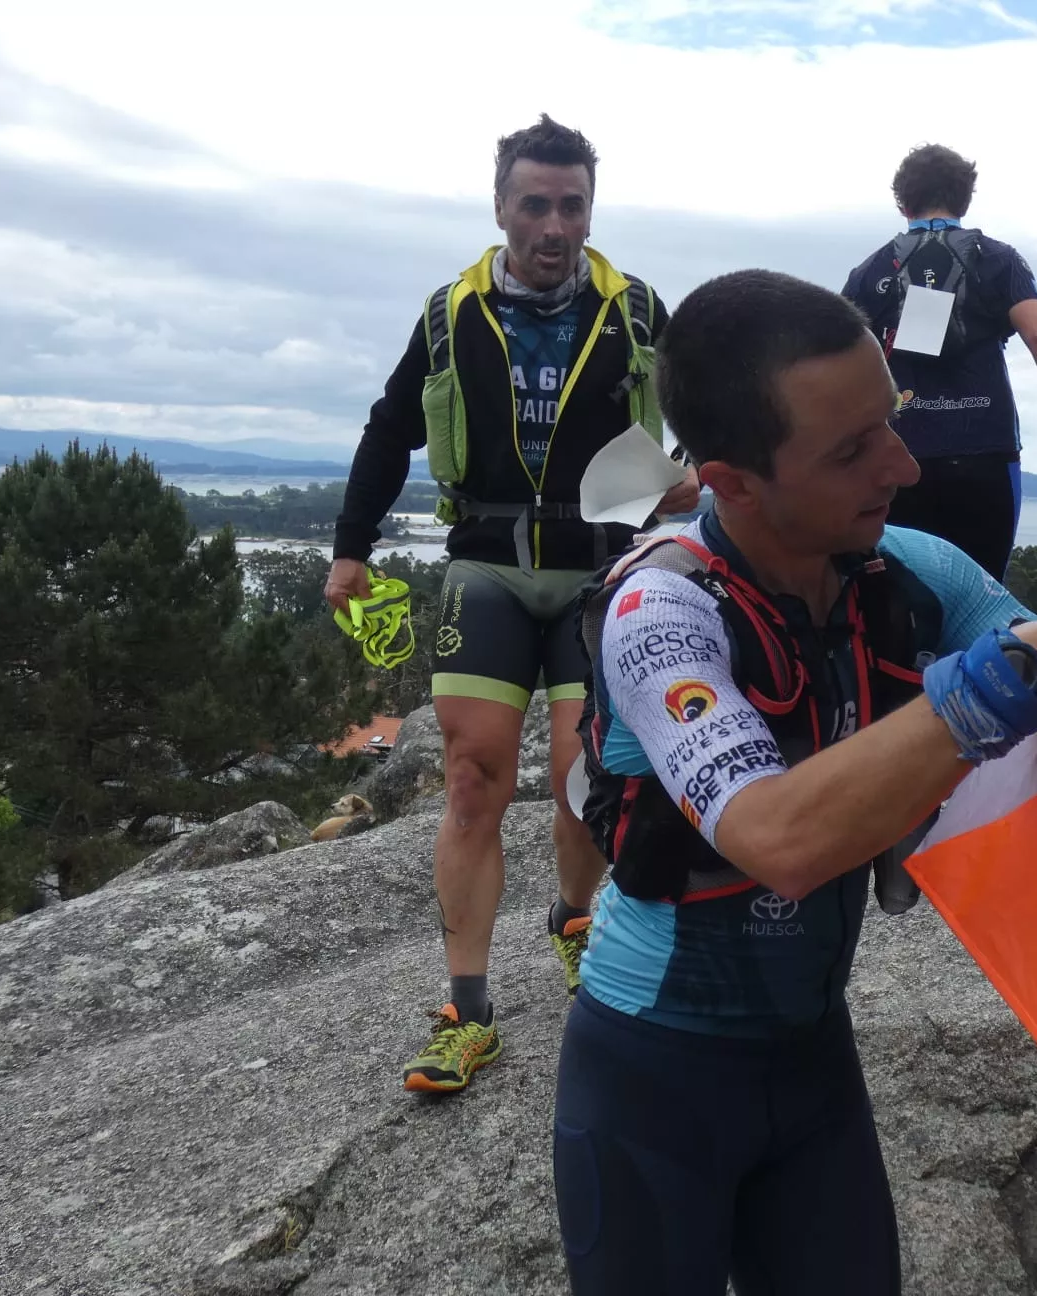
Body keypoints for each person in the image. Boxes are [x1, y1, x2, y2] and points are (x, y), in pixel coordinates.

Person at [553, 269, 1037, 1294]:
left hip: (812, 1063)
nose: (902, 463)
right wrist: (1007, 680)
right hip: (651, 1069)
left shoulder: (906, 569)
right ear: (733, 480)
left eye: (888, 421)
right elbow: (779, 839)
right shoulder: (658, 611)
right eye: (852, 450)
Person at [325, 115, 699, 1095]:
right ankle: (468, 1009)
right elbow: (387, 430)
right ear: (500, 207)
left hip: (595, 572)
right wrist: (351, 550)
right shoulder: (452, 314)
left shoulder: (637, 313)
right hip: (486, 566)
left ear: (589, 211)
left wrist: (698, 478)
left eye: (572, 205)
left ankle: (574, 922)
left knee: (584, 778)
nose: (554, 225)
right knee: (472, 778)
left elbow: (704, 415)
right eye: (534, 203)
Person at [842, 143, 1037, 579]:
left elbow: (837, 358)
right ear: (965, 200)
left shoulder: (871, 271)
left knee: (901, 596)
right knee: (983, 590)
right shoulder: (997, 260)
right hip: (985, 455)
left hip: (899, 458)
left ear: (902, 204)